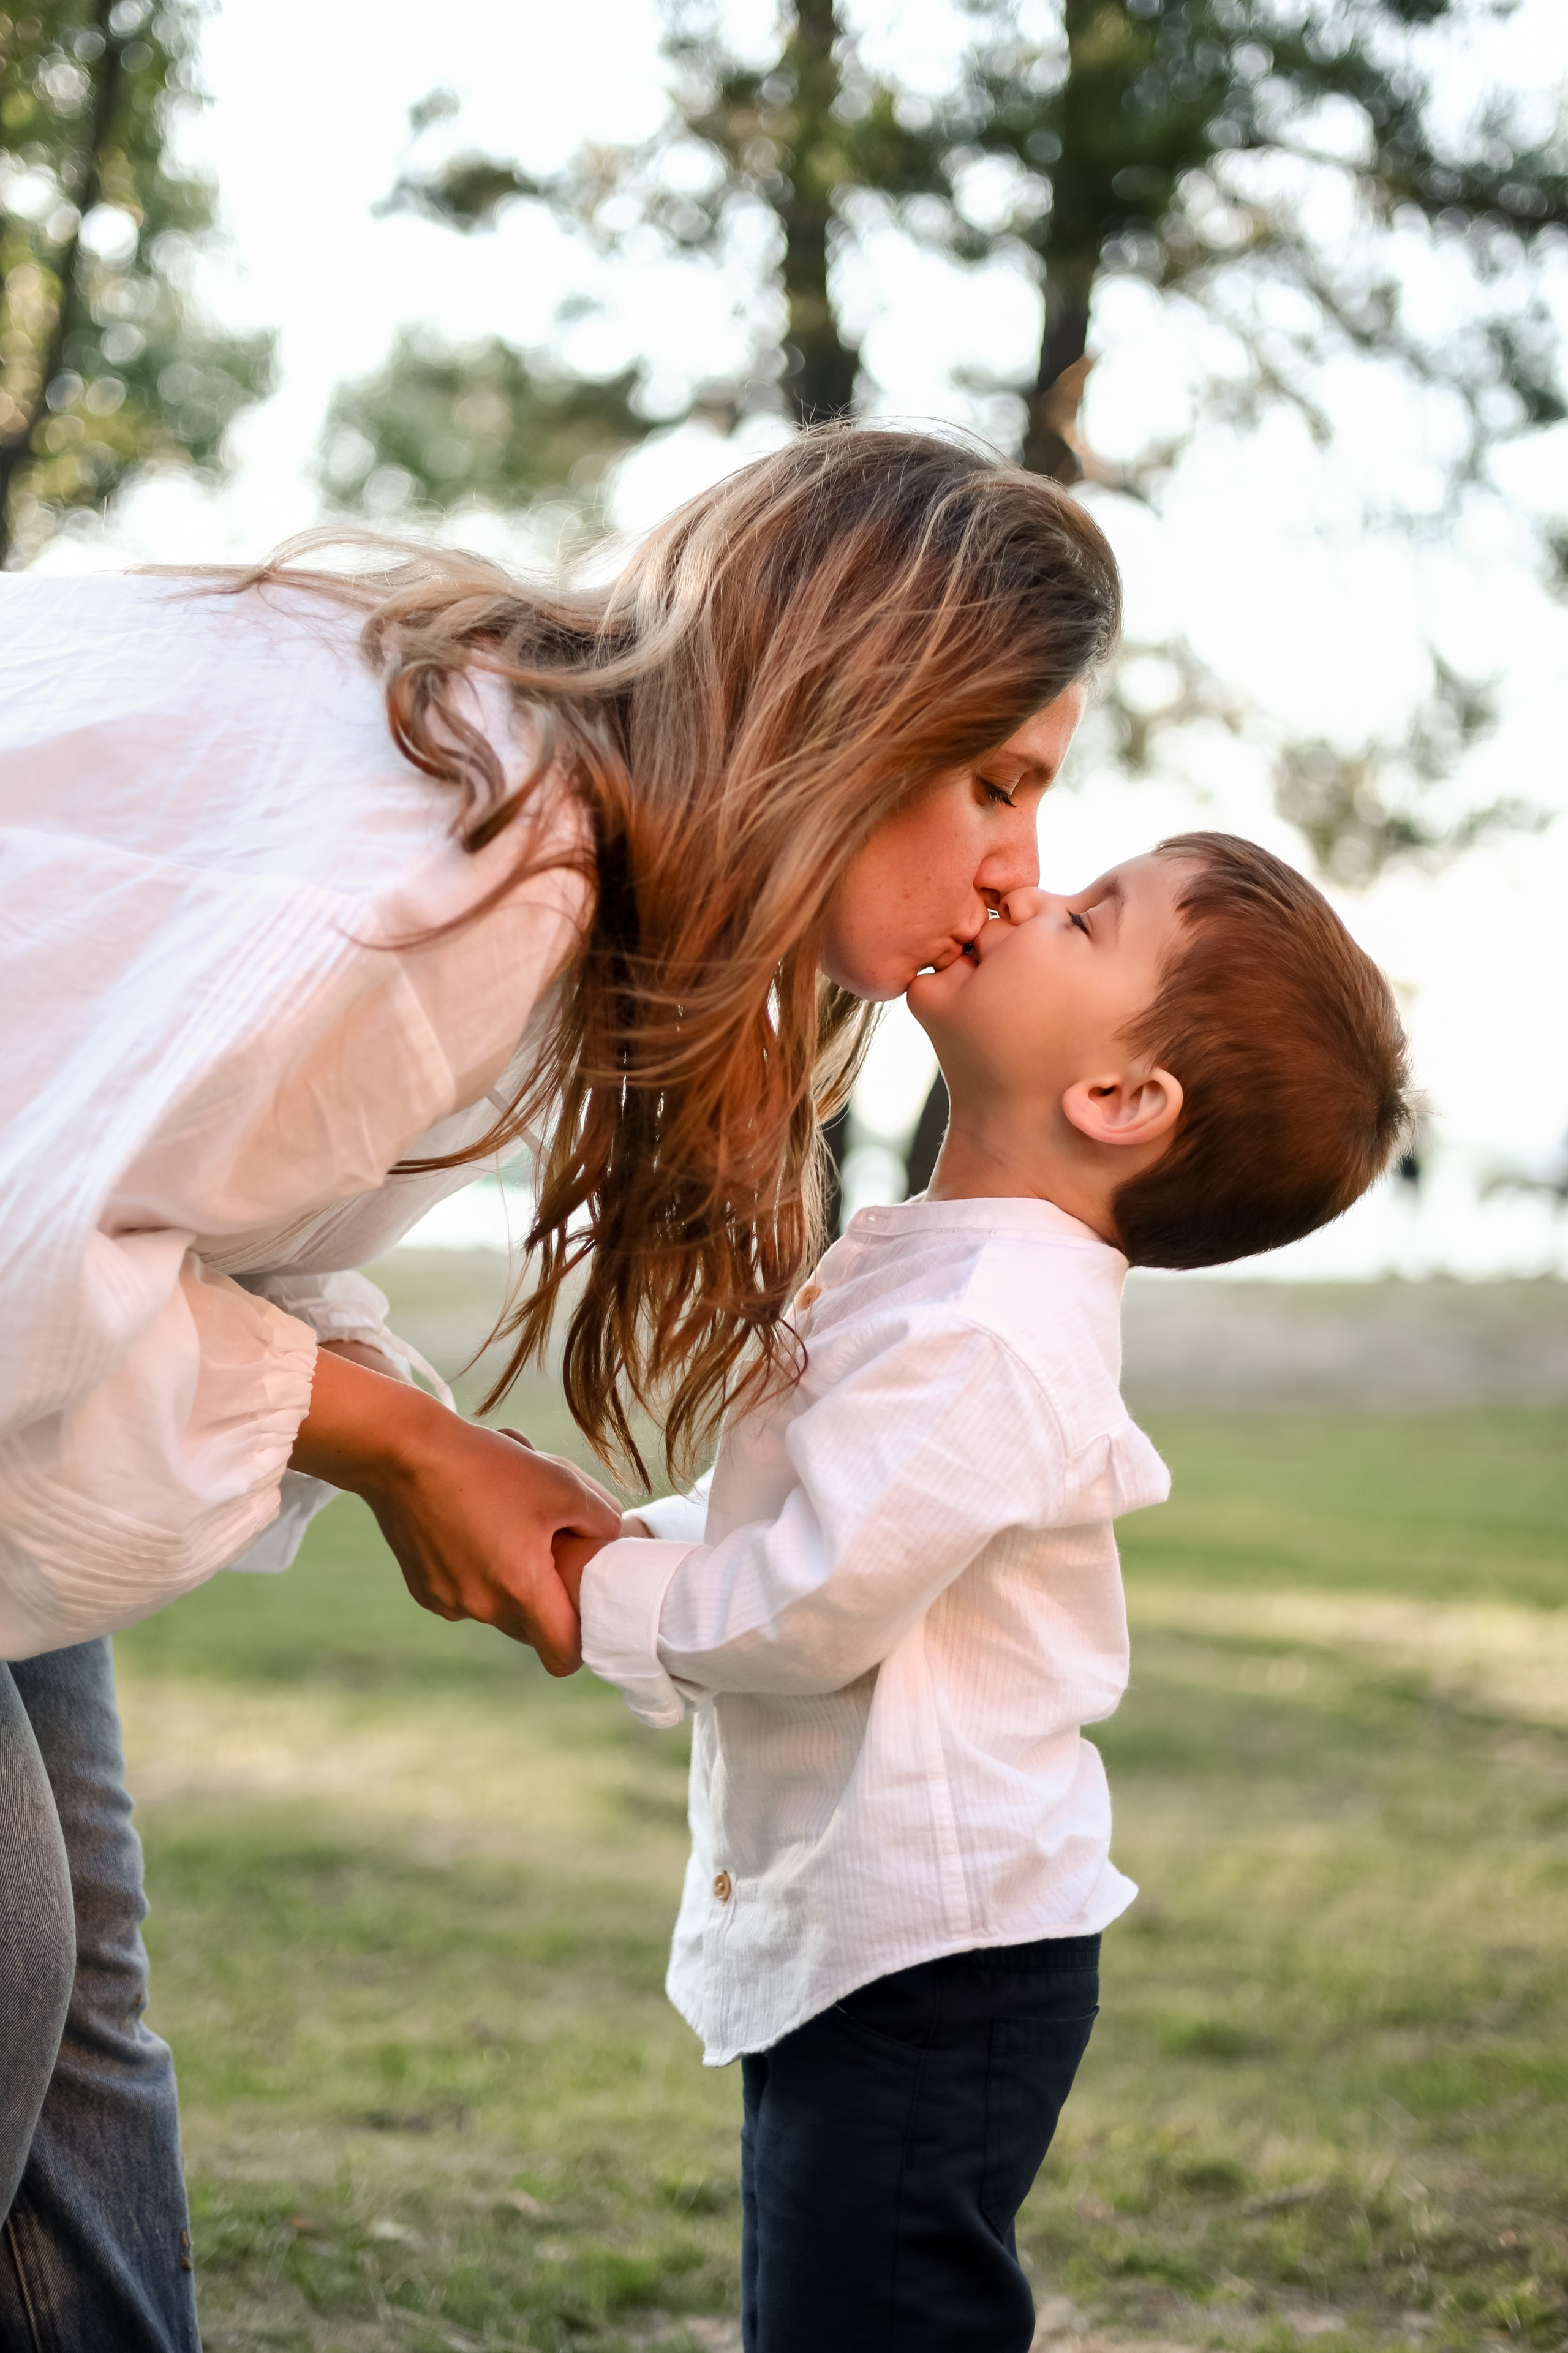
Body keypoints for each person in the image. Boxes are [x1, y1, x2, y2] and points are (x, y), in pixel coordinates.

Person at [0, 426, 1119, 2349]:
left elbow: (141, 1204)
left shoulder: (479, 759)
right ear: (855, 709)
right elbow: (29, 1285)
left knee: (78, 1989)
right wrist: (398, 1442)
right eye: (997, 781)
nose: (1021, 877)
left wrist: (413, 1448)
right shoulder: (461, 871)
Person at [570, 833, 1412, 2353]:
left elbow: (801, 1607)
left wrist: (587, 1591)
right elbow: (823, 1506)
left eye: (1089, 916)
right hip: (884, 1938)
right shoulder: (950, 1269)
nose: (1024, 888)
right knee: (825, 2305)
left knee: (873, 2319)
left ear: (1116, 1100)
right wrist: (625, 1528)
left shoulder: (992, 1326)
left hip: (935, 1963)